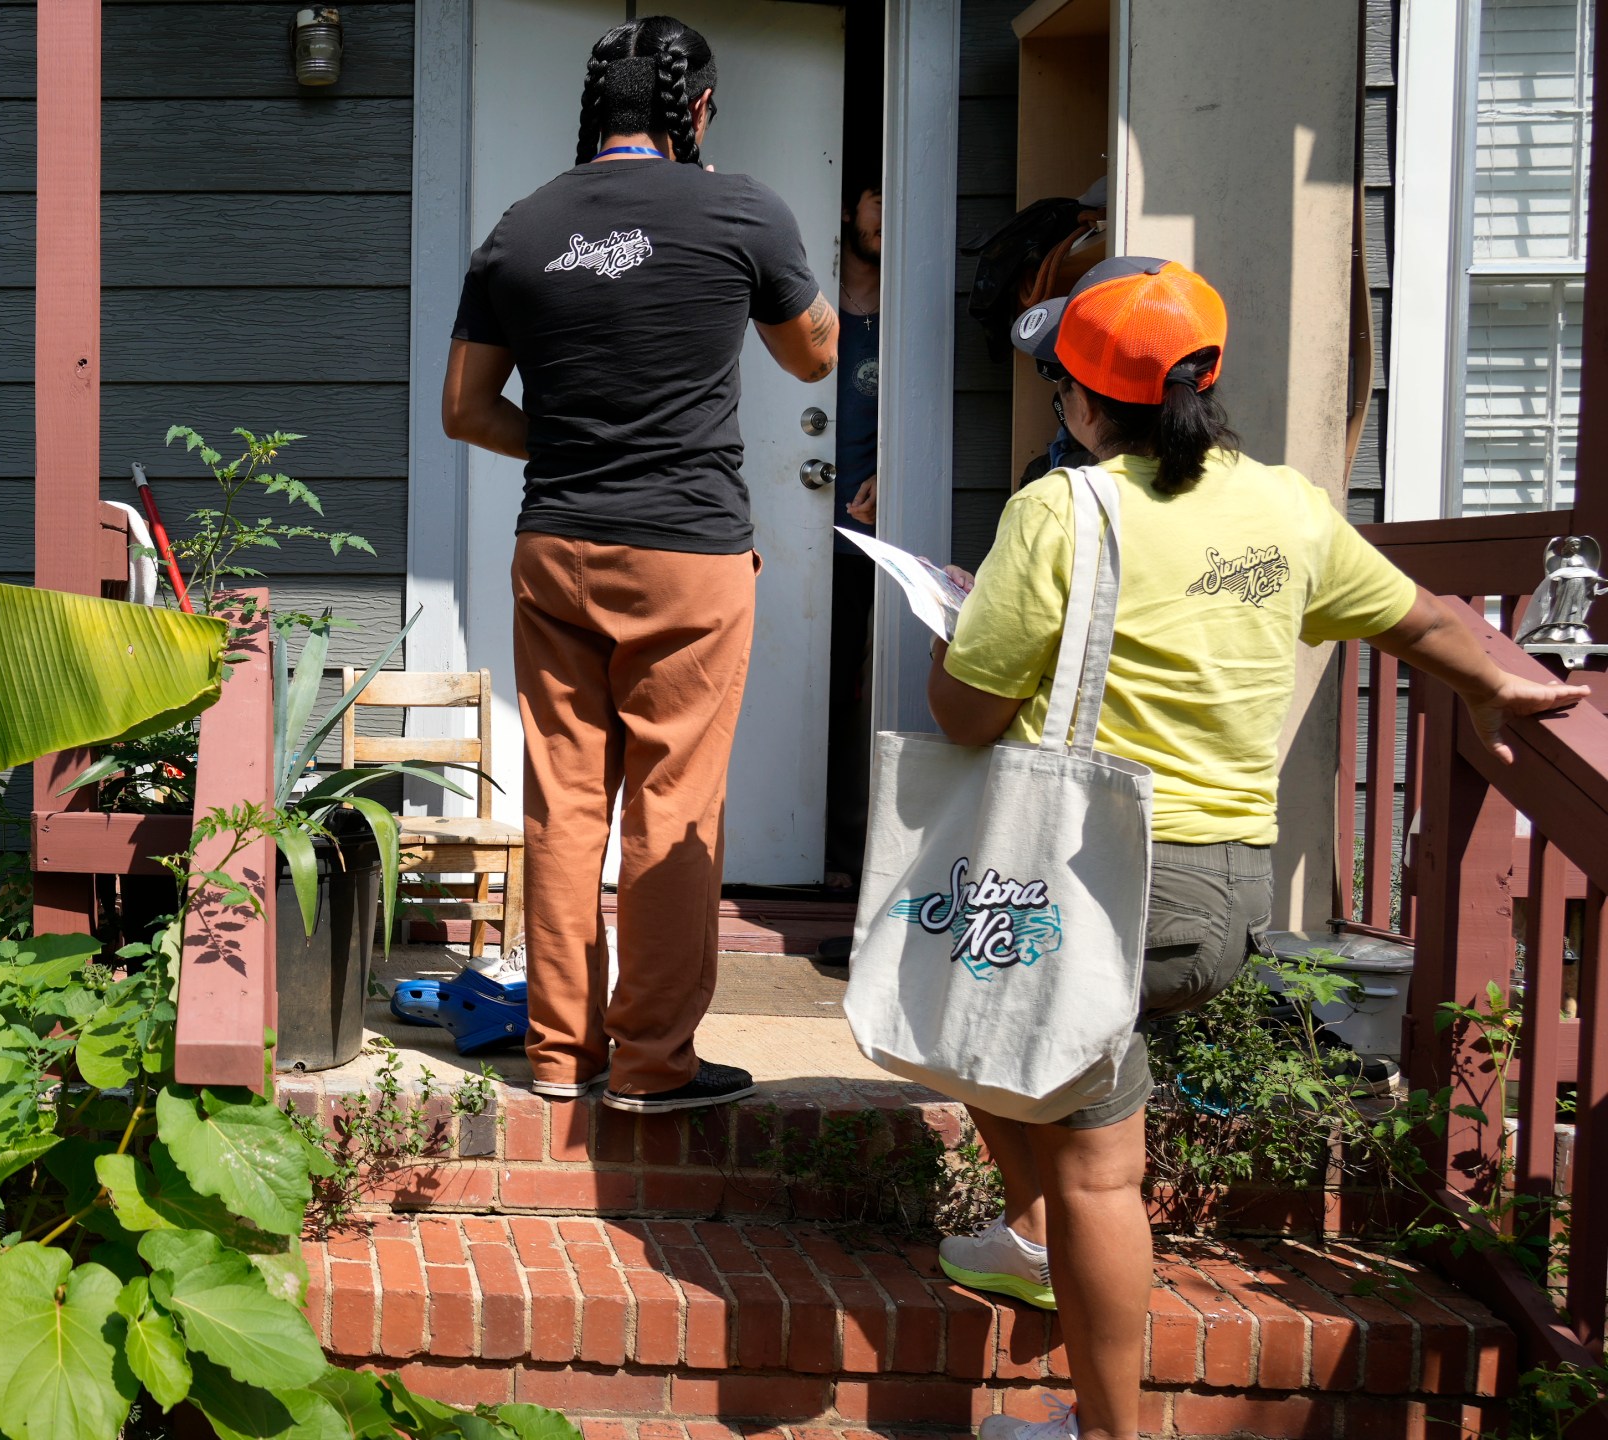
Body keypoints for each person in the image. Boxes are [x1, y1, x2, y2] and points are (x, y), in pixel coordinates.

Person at [928, 257, 1591, 1440]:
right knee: (989, 1027)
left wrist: (968, 623)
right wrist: (1496, 681)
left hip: (1086, 879)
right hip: (1221, 892)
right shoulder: (1281, 505)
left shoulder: (1062, 508)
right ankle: (1032, 1243)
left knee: (1082, 1153)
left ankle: (1103, 1418)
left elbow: (965, 711)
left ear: (1078, 400)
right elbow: (1424, 616)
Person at [442, 16, 838, 1115]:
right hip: (687, 554)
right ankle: (656, 1065)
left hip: (556, 545)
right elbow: (812, 353)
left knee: (563, 804)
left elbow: (466, 412)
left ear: (595, 108)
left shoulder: (520, 230)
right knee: (671, 808)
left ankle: (562, 1058)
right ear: (695, 108)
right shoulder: (742, 208)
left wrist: (570, 442)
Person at [824, 177, 882, 892]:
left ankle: (846, 850)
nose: (885, 214)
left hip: (867, 539)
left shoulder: (901, 316)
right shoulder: (810, 311)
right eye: (875, 196)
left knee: (858, 698)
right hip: (798, 537)